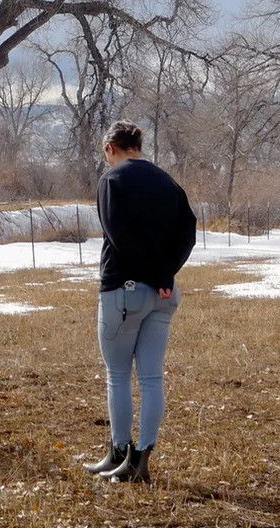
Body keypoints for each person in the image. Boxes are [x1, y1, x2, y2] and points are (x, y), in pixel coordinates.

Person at [83, 120, 197, 482]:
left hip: (124, 289)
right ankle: (140, 460)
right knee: (151, 377)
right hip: (163, 295)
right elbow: (188, 232)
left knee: (118, 376)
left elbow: (119, 237)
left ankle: (119, 450)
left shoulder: (111, 181)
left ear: (110, 148)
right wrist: (166, 273)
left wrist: (151, 273)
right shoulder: (167, 181)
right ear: (139, 146)